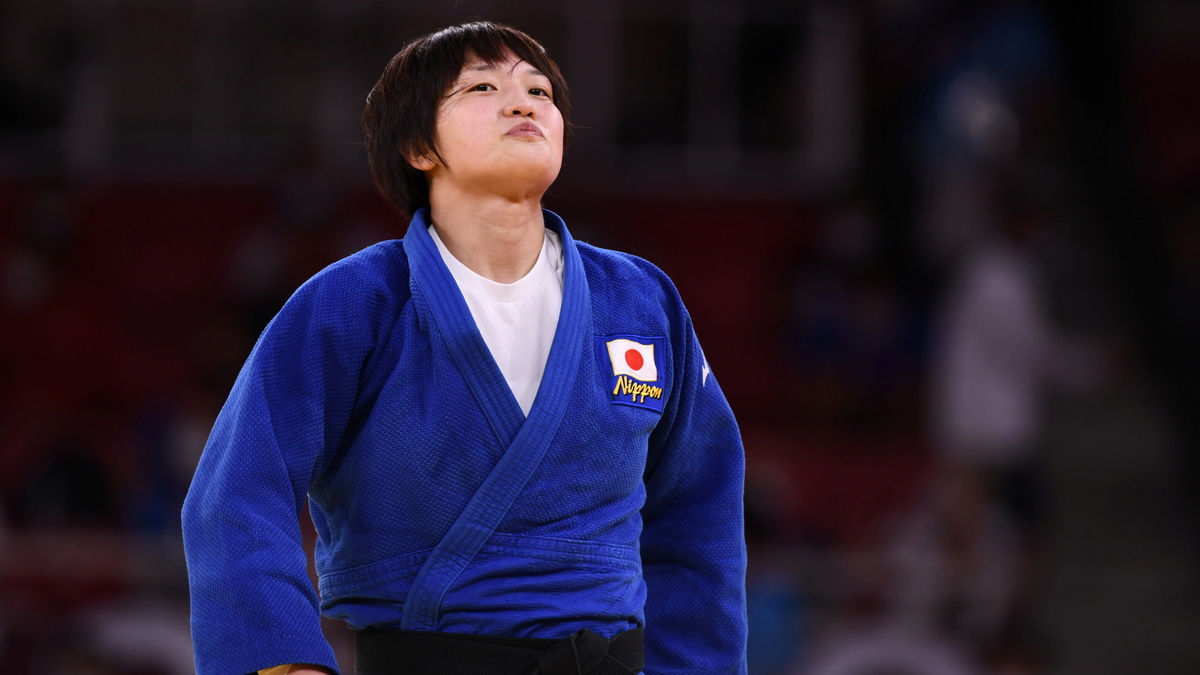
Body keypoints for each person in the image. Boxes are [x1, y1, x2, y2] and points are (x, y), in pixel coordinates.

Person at [181, 21, 747, 675]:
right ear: (419, 146)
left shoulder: (640, 301)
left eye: (539, 91)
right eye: (483, 87)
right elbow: (235, 492)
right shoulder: (353, 302)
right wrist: (284, 662)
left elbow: (700, 512)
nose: (523, 103)